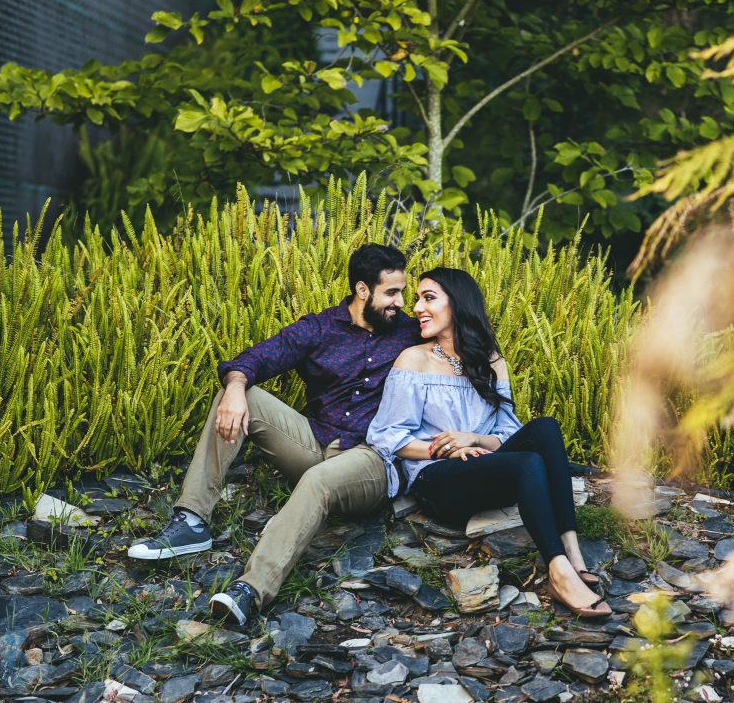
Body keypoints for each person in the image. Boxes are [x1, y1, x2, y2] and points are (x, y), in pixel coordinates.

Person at [127, 244, 420, 626]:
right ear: (362, 290)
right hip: (315, 444)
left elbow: (466, 343)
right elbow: (254, 359)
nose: (401, 302)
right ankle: (191, 522)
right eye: (392, 293)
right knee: (238, 393)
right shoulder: (319, 328)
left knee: (318, 481)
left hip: (370, 460)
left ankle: (251, 590)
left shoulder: (411, 332)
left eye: (403, 292)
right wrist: (234, 388)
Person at [367, 267, 611, 619]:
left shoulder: (491, 361)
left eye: (429, 298)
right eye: (418, 298)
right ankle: (558, 573)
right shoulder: (414, 360)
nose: (417, 307)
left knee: (544, 428)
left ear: (459, 304)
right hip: (438, 479)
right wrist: (446, 448)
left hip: (485, 469)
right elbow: (386, 436)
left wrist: (474, 439)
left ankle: (573, 554)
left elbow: (507, 433)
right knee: (528, 462)